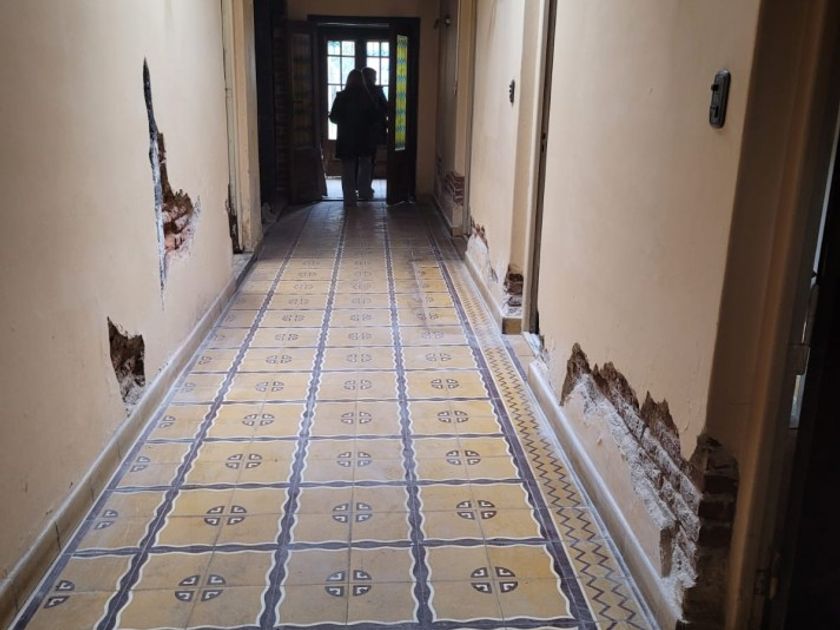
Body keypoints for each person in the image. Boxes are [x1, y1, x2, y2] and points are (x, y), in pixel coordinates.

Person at [328, 69, 377, 207]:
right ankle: (364, 192)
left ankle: (350, 198)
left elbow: (333, 117)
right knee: (365, 166)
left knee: (348, 169)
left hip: (347, 138)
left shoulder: (341, 97)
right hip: (364, 137)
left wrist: (345, 121)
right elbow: (374, 117)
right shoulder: (367, 97)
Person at [361, 67, 389, 200]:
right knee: (370, 159)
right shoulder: (377, 91)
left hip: (358, 130)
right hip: (374, 130)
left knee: (358, 160)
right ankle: (366, 187)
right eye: (375, 76)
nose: (376, 79)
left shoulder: (356, 91)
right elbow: (387, 108)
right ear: (372, 77)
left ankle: (360, 187)